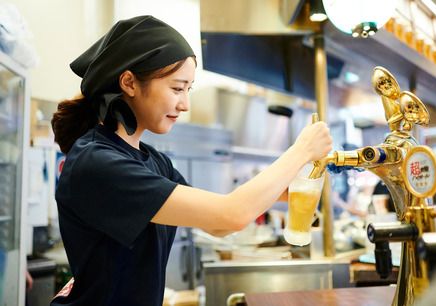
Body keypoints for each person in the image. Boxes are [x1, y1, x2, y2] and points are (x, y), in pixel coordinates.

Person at [50, 15, 332, 306]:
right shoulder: (97, 162)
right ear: (129, 82)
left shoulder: (153, 161)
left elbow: (218, 224)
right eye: (176, 88)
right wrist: (301, 150)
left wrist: (285, 188)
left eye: (188, 89)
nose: (184, 104)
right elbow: (230, 214)